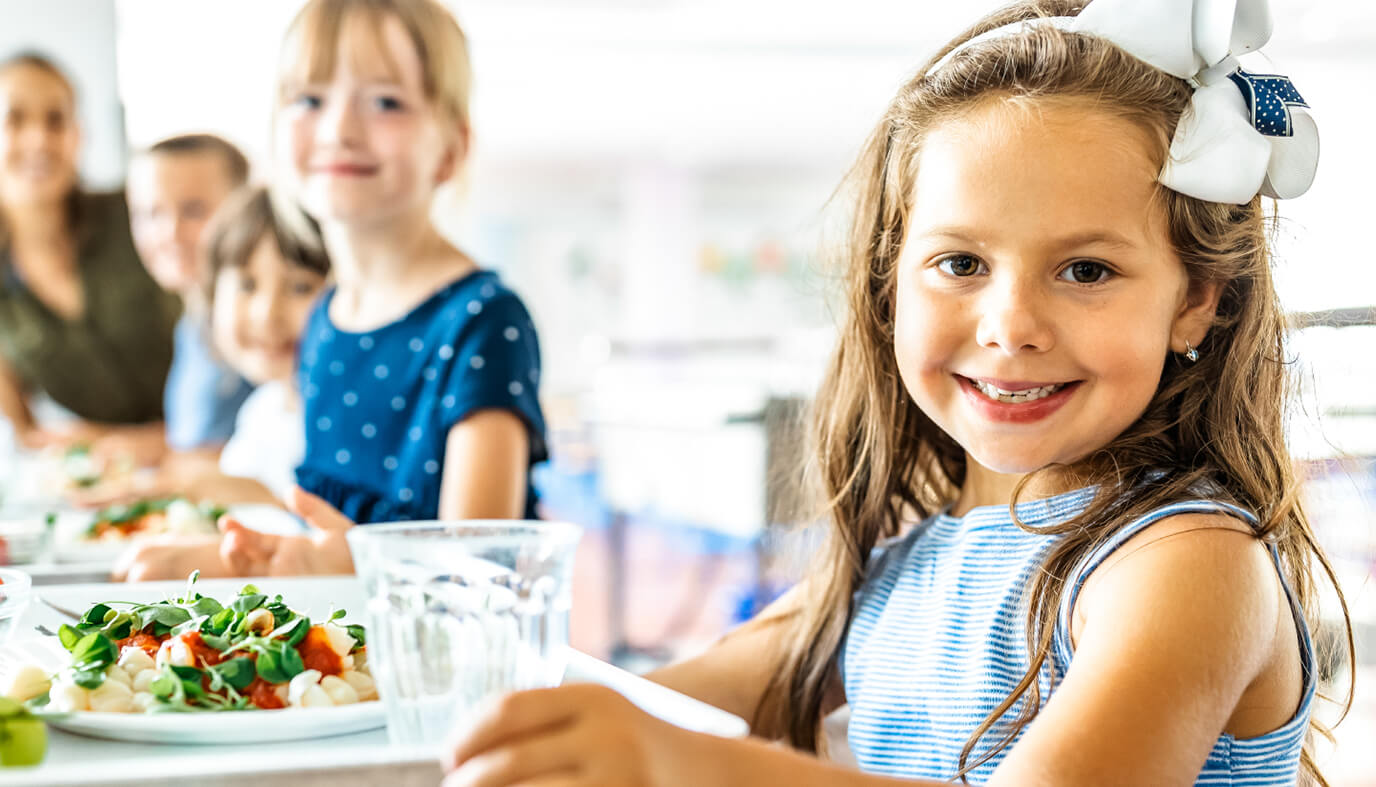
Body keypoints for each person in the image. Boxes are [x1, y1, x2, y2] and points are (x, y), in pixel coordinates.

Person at [438, 1, 1349, 785]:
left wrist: (684, 761)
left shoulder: (1191, 561)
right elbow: (611, 708)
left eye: (1085, 268)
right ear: (890, 286)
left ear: (1195, 300)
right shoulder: (894, 568)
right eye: (960, 262)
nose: (1010, 324)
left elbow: (659, 740)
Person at [215, 0, 549, 578]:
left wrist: (349, 564)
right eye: (309, 99)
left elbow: (475, 576)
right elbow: (320, 529)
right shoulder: (326, 317)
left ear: (450, 151)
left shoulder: (483, 321)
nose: (339, 130)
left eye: (386, 102)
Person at [0, 51, 178, 451]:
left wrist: (147, 442)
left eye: (55, 120)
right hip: (114, 485)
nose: (38, 139)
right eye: (15, 120)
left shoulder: (139, 213)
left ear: (78, 135)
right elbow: (24, 433)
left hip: (218, 457)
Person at [111, 186, 332, 582]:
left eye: (300, 287)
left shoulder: (335, 419)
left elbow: (323, 542)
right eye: (247, 285)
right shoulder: (264, 409)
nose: (268, 314)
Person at [127, 134, 258, 465]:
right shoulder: (194, 322)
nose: (169, 233)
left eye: (194, 210)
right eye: (151, 213)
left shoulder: (260, 322)